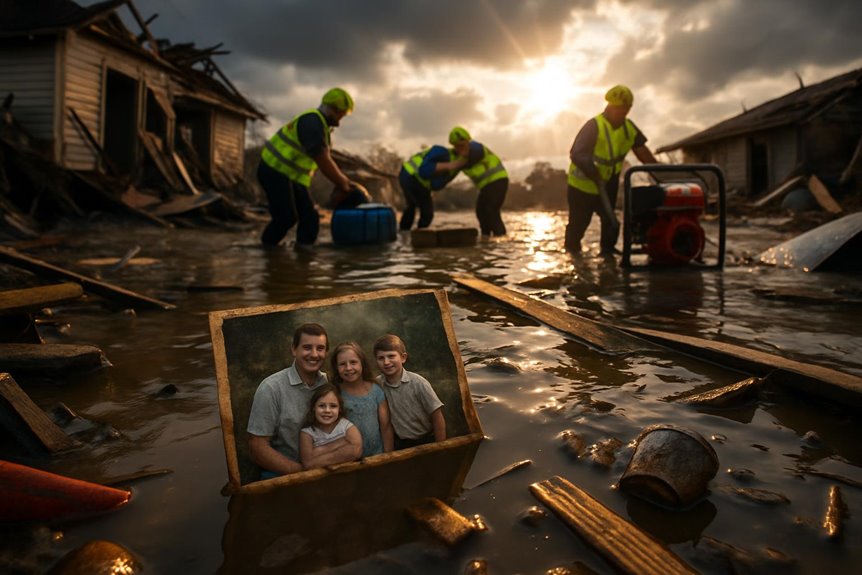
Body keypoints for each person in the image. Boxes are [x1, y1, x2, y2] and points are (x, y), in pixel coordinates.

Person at [565, 85, 659, 255]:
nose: (620, 112)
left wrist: (660, 173)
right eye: (617, 108)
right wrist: (593, 172)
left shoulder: (629, 129)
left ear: (629, 109)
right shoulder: (594, 125)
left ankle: (607, 254)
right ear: (609, 105)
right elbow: (577, 153)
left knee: (611, 221)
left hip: (608, 183)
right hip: (582, 186)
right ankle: (573, 254)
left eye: (625, 109)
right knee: (579, 224)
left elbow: (643, 152)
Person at [257, 87, 355, 248]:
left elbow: (324, 157)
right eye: (340, 114)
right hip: (273, 171)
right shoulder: (312, 122)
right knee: (286, 217)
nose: (340, 120)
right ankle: (267, 250)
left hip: (292, 176)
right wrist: (342, 182)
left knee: (310, 217)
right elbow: (323, 160)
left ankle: (304, 255)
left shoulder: (321, 126)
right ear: (332, 109)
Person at [246, 323, 335, 477]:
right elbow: (257, 447)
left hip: (326, 471)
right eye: (307, 347)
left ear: (326, 352)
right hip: (284, 475)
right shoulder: (271, 388)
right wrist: (302, 474)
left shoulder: (329, 383)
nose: (314, 354)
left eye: (320, 348)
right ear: (294, 349)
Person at [373, 334, 446, 449]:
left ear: (403, 358)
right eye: (381, 358)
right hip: (399, 442)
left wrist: (441, 447)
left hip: (425, 439)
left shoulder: (418, 383)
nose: (386, 362)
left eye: (391, 356)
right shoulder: (377, 385)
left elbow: (437, 416)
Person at [330, 342, 394, 457]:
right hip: (349, 459)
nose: (348, 368)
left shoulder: (376, 390)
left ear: (362, 363)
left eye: (353, 362)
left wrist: (388, 456)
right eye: (342, 364)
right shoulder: (335, 394)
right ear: (336, 367)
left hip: (377, 456)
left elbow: (386, 426)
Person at [448, 126, 509, 237]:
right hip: (486, 187)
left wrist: (455, 163)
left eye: (463, 145)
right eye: (457, 146)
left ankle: (501, 239)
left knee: (491, 211)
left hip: (498, 181)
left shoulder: (476, 148)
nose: (461, 148)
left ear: (468, 141)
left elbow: (474, 155)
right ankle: (486, 237)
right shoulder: (459, 158)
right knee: (480, 212)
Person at [397, 142, 467, 230]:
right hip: (409, 175)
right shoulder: (442, 152)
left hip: (422, 185)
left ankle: (420, 234)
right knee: (411, 205)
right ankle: (404, 232)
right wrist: (449, 166)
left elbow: (436, 185)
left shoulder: (454, 170)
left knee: (427, 214)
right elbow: (424, 171)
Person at [299, 383, 363, 469]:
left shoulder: (347, 426)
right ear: (313, 407)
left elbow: (356, 451)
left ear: (339, 408)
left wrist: (318, 452)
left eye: (333, 406)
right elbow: (308, 464)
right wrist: (342, 443)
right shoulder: (307, 433)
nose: (327, 410)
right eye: (322, 406)